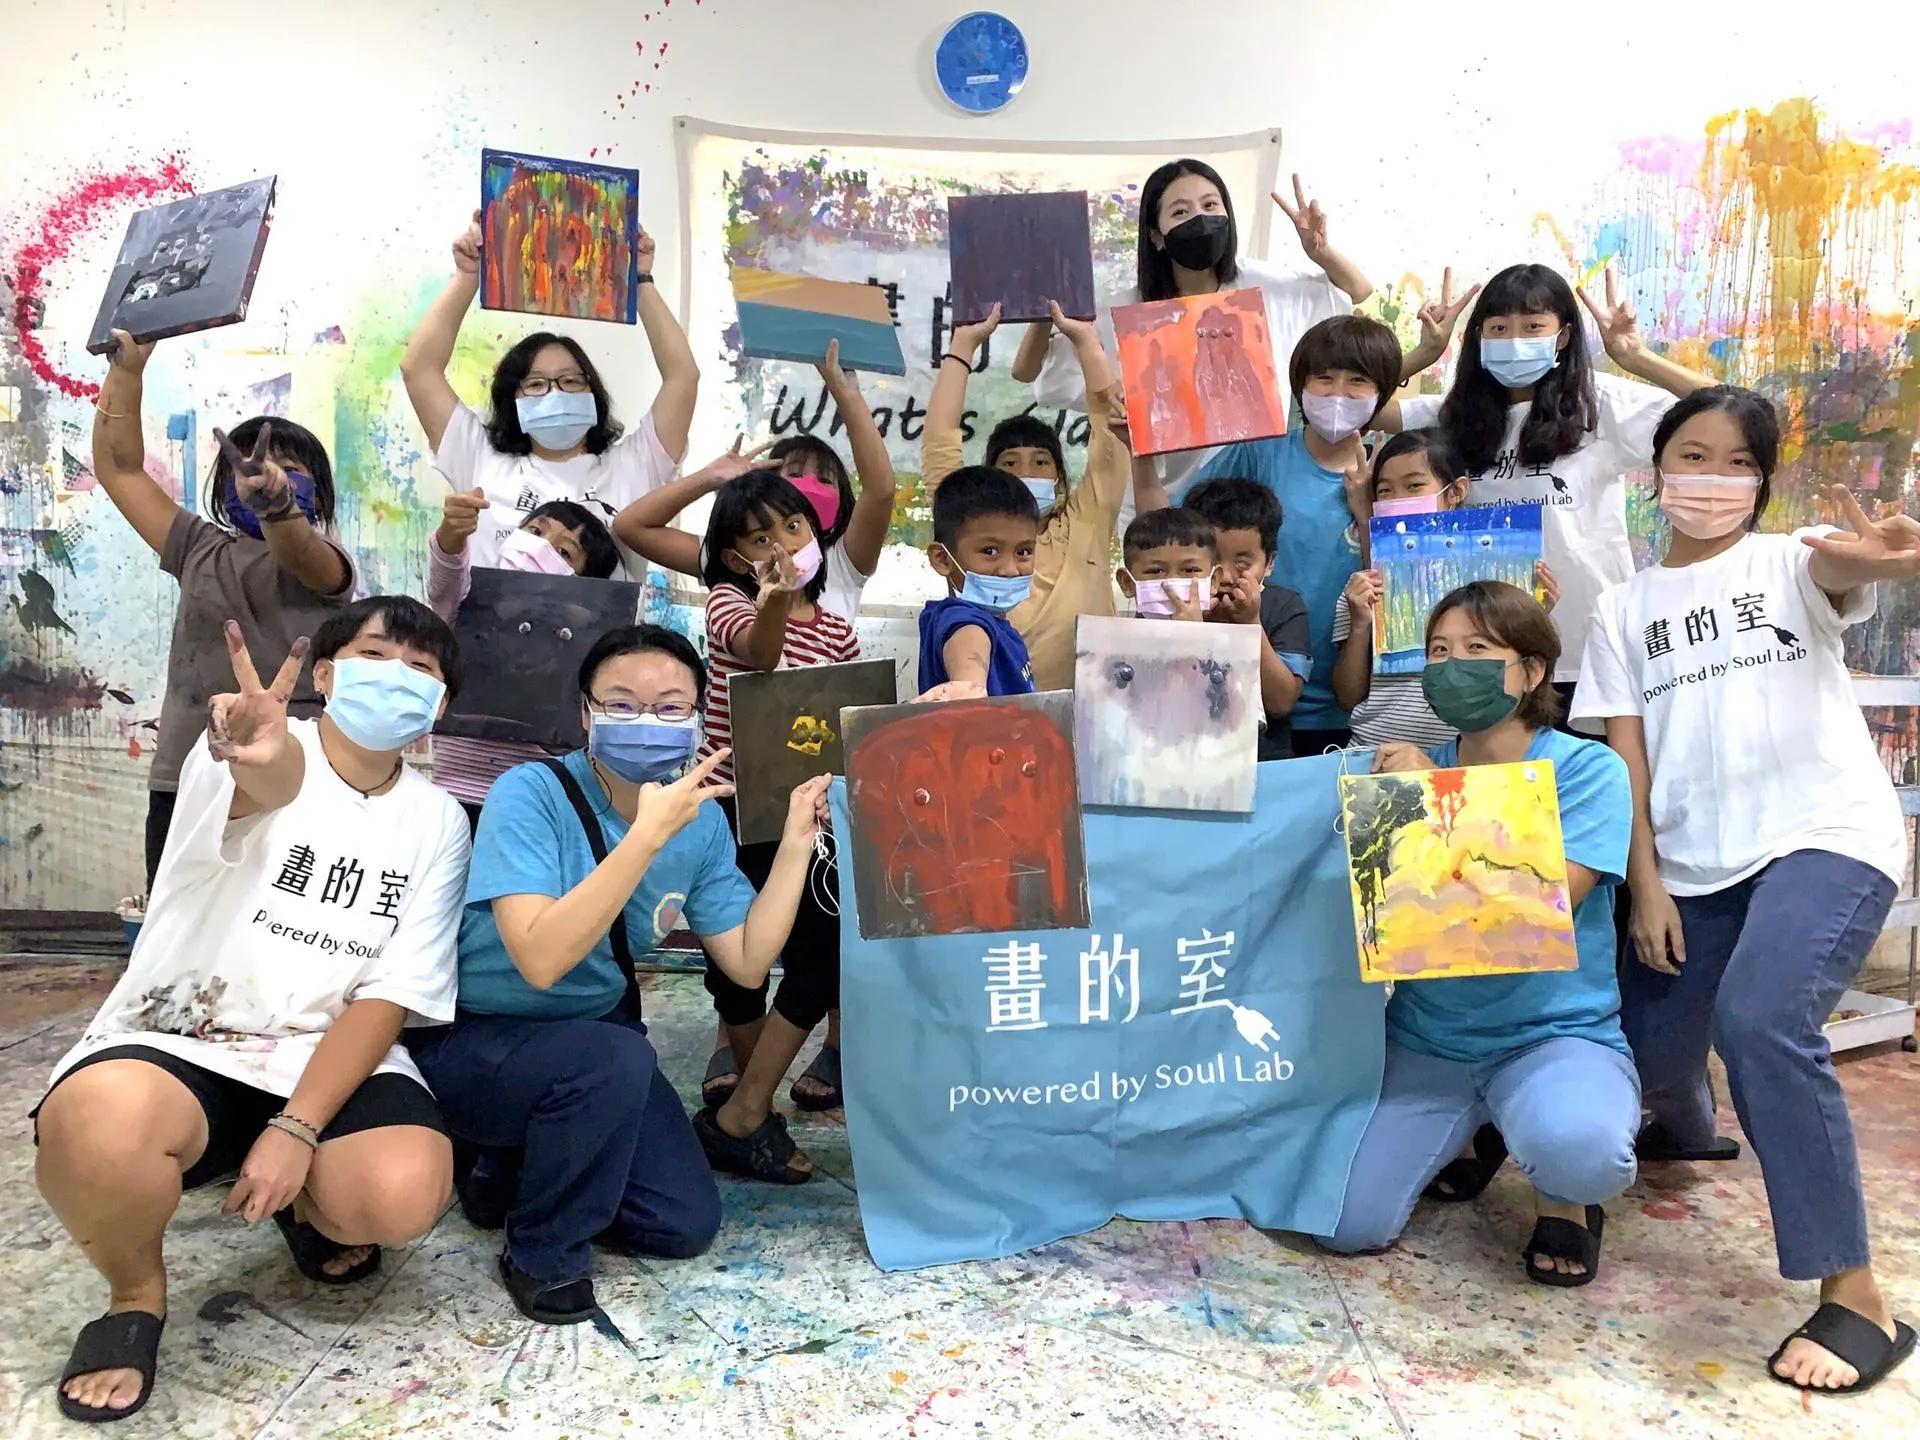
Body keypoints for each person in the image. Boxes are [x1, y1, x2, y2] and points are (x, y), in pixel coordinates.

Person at [34, 596, 470, 1423]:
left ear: (440, 704)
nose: (398, 677)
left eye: (421, 669)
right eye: (377, 655)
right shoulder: (248, 745)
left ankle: (305, 1203)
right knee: (98, 1129)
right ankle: (134, 1295)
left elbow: (394, 989)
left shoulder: (439, 818)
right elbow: (267, 783)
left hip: (322, 1049)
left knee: (401, 1193)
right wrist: (258, 753)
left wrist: (299, 1126)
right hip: (185, 1034)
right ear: (326, 675)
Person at [1571, 386, 1918, 1395]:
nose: (1712, 478)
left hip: (1824, 835)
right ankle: (1688, 1123)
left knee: (1762, 1020)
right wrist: (1645, 887)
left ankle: (1855, 1294)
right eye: (1693, 455)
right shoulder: (1623, 607)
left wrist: (1890, 557)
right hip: (1693, 862)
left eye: (1736, 462)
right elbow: (1627, 759)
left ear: (1761, 481)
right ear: (1657, 470)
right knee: (1639, 1051)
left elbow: (1847, 567)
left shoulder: (1789, 559)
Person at [411, 625, 831, 1326]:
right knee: (616, 1057)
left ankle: (516, 1159)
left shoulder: (700, 824)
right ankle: (542, 1251)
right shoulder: (529, 793)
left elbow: (747, 960)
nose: (647, 723)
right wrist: (645, 837)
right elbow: (540, 961)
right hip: (481, 1035)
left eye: (670, 708)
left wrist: (795, 843)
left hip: (595, 1042)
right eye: (622, 705)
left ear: (698, 718)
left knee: (681, 1222)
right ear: (585, 713)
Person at [1321, 581, 1636, 1289]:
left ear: (1531, 670)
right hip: (1428, 1037)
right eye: (1438, 650)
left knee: (1580, 1150)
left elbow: (1546, 899)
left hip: (1551, 1033)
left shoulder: (1588, 769)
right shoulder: (1398, 764)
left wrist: (1435, 794)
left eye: (1476, 648)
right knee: (1344, 1222)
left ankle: (1565, 1195)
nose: (1451, 664)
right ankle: (1477, 1130)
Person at [90, 329, 355, 889]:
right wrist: (126, 374)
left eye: (289, 467)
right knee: (179, 925)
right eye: (251, 465)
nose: (264, 473)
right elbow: (120, 470)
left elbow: (296, 550)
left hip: (291, 776)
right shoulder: (196, 546)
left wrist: (277, 506)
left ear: (319, 493)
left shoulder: (329, 563)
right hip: (187, 776)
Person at [1384, 265, 1714, 710]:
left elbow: (1730, 411)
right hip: (1492, 656)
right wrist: (1424, 353)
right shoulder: (1456, 415)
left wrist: (1636, 358)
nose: (1514, 340)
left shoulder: (1601, 405)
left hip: (1588, 647)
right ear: (1479, 338)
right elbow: (1362, 411)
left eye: (1533, 326)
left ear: (1563, 336)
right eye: (1499, 328)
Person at [1013, 165, 1375, 503]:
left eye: (1210, 205)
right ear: (1156, 235)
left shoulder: (1264, 286)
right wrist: (1046, 304)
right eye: (1180, 212)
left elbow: (1355, 292)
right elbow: (1034, 373)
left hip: (1256, 499)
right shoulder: (1124, 312)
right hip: (1160, 504)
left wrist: (1321, 252)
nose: (1200, 219)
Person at [694, 473, 859, 1166]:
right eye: (761, 538)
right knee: (739, 960)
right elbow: (760, 656)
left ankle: (747, 1105)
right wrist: (774, 600)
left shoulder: (839, 631)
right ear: (735, 557)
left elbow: (849, 724)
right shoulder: (728, 603)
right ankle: (747, 1107)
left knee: (824, 954)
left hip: (811, 819)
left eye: (793, 528)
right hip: (731, 811)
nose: (784, 546)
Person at [399, 212, 696, 574]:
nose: (555, 392)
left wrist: (641, 282)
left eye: (570, 381)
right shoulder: (480, 459)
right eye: (536, 384)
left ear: (593, 392)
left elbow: (683, 377)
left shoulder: (633, 465)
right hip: (489, 614)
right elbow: (419, 370)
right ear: (513, 401)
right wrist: (466, 277)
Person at [1188, 314, 1405, 752]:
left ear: (1381, 392)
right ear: (1300, 386)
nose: (1338, 393)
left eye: (1357, 381)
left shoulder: (1391, 471)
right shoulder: (1260, 452)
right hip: (1255, 698)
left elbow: (1401, 585)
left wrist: (1367, 512)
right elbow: (1179, 530)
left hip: (1356, 708)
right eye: (1323, 378)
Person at [613, 340, 898, 626]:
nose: (809, 487)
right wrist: (708, 478)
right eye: (795, 474)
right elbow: (631, 526)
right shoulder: (737, 556)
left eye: (825, 480)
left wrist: (847, 394)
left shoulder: (845, 561)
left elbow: (881, 489)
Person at [926, 302, 1130, 691]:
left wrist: (1086, 341)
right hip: (998, 718)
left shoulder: (1087, 520)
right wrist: (963, 346)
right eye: (1010, 464)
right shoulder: (967, 520)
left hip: (1091, 712)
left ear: (1059, 480)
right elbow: (940, 440)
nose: (1025, 474)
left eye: (1040, 462)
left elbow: (1111, 432)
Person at [1332, 430, 1560, 749]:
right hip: (1377, 751)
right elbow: (1347, 697)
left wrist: (1532, 615)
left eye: (1414, 486)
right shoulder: (1365, 587)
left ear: (1455, 492)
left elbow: (1527, 679)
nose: (1399, 500)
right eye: (1385, 490)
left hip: (1471, 756)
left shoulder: (1500, 583)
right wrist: (1360, 624)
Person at [428, 496, 623, 822]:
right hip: (453, 795)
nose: (540, 548)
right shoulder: (466, 604)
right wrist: (452, 533)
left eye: (564, 552)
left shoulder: (585, 640)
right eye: (535, 531)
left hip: (534, 806)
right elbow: (446, 575)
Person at [1183, 478, 1310, 759]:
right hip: (1188, 756)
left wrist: (1251, 623)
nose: (1226, 576)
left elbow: (1281, 702)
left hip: (1262, 760)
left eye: (1242, 563)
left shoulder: (1284, 607)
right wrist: (1191, 629)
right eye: (1212, 561)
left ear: (1270, 562)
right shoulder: (1176, 607)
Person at [918, 466, 1041, 699]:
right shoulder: (962, 619)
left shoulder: (1002, 629)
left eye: (1023, 552)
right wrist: (969, 687)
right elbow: (970, 660)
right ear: (943, 559)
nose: (1010, 570)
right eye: (990, 551)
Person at [1115, 507, 1217, 619]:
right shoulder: (1110, 630)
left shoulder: (1226, 630)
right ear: (1127, 583)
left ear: (1214, 581)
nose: (1171, 582)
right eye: (1156, 571)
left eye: (1189, 570)